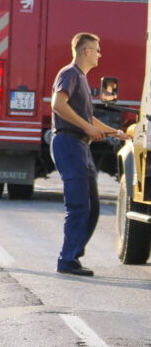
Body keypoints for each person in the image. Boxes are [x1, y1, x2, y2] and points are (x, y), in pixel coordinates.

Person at [50, 33, 130, 277]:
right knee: (79, 205)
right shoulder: (70, 73)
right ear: (85, 51)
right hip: (69, 143)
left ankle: (73, 256)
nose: (100, 54)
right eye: (96, 49)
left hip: (80, 146)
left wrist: (115, 132)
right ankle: (67, 260)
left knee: (92, 208)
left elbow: (88, 118)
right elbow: (57, 104)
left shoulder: (81, 78)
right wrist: (87, 128)